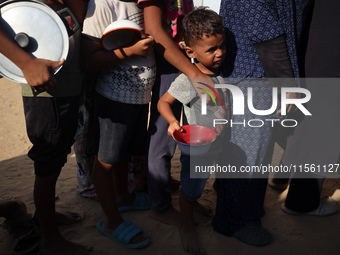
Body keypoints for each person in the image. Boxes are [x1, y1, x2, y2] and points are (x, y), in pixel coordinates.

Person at [211, 0, 309, 246]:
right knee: (249, 154)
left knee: (254, 151)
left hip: (257, 74)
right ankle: (234, 221)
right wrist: (287, 86)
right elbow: (265, 33)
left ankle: (237, 208)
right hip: (254, 75)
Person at [0, 0, 92, 254]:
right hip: (46, 91)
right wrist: (26, 63)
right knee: (48, 160)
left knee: (58, 154)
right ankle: (49, 238)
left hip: (69, 85)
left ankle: (44, 217)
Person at [81, 0, 156, 249]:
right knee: (106, 160)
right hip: (114, 98)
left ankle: (123, 196)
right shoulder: (101, 6)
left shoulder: (140, 6)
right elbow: (89, 60)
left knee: (123, 153)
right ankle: (112, 220)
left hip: (138, 98)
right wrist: (130, 51)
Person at [138, 0, 216, 227]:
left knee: (192, 129)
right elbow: (154, 30)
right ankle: (160, 206)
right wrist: (192, 71)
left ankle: (188, 199)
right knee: (163, 135)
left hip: (187, 62)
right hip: (170, 62)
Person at [158, 7, 229, 254]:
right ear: (190, 52)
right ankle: (187, 226)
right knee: (190, 189)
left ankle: (197, 202)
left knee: (207, 184)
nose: (219, 53)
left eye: (222, 46)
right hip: (198, 150)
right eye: (211, 50)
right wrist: (172, 122)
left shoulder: (224, 72)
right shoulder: (188, 81)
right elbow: (163, 102)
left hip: (221, 145)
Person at [280, 0, 340, 216]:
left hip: (312, 48)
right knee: (321, 124)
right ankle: (301, 201)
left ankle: (286, 179)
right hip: (328, 57)